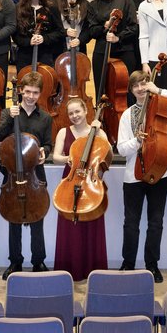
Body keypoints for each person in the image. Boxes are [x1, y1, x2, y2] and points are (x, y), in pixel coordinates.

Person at [116, 70, 167, 282]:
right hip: (133, 176)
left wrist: (159, 90)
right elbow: (121, 149)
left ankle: (152, 265)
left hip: (161, 172)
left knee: (155, 223)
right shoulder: (127, 115)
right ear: (131, 90)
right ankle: (128, 263)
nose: (140, 89)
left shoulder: (163, 107)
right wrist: (138, 141)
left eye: (144, 84)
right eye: (136, 86)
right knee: (131, 222)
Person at [0, 71, 53, 279]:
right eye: (27, 91)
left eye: (35, 93)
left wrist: (44, 153)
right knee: (14, 218)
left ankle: (38, 261)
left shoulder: (45, 118)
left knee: (37, 218)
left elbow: (48, 143)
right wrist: (10, 119)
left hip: (35, 174)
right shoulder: (8, 112)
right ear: (20, 91)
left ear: (40, 93)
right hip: (12, 172)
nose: (30, 96)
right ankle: (15, 262)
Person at [52, 97, 108, 281]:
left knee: (91, 221)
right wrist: (68, 158)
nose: (75, 116)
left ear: (85, 111)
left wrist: (99, 132)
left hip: (90, 183)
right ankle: (69, 270)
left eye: (78, 111)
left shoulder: (98, 132)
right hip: (70, 179)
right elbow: (56, 157)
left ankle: (93, 270)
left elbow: (106, 157)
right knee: (69, 225)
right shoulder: (63, 132)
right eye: (71, 113)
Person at [88, 0, 139, 93]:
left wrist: (118, 37)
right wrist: (105, 25)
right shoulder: (93, 5)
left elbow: (134, 27)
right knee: (102, 92)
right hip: (101, 52)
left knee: (126, 91)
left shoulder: (125, 0)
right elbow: (92, 31)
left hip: (124, 51)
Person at [14, 0, 64, 69]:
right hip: (24, 57)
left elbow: (60, 32)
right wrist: (29, 41)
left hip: (45, 57)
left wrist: (44, 38)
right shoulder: (18, 8)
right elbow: (15, 36)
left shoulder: (51, 7)